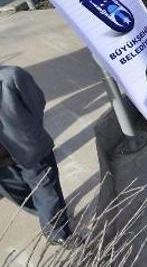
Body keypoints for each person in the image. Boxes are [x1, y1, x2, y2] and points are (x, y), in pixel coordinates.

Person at [0, 65, 71, 246]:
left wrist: (29, 130)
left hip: (30, 150)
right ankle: (50, 220)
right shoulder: (12, 75)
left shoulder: (12, 76)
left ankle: (57, 232)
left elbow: (37, 103)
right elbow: (36, 103)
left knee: (46, 191)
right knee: (35, 193)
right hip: (10, 159)